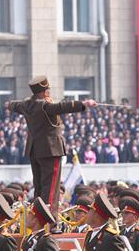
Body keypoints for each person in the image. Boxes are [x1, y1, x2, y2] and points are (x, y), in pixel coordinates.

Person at [7, 76, 95, 214]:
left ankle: (37, 215)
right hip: (50, 149)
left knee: (39, 186)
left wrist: (9, 104)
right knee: (51, 188)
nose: (49, 91)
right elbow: (62, 107)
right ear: (43, 91)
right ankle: (48, 220)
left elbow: (13, 105)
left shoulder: (26, 105)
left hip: (34, 150)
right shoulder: (44, 106)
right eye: (47, 89)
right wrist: (84, 104)